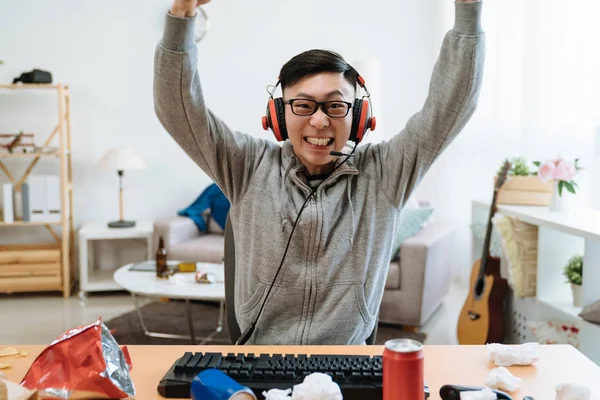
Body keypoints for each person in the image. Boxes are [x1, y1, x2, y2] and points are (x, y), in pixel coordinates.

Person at [154, 0, 485, 345]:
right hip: (260, 359)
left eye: (335, 104)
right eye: (303, 104)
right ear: (279, 115)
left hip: (348, 364)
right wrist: (181, 15)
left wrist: (466, 10)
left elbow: (451, 105)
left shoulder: (386, 173)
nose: (319, 119)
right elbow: (177, 109)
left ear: (358, 118)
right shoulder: (246, 165)